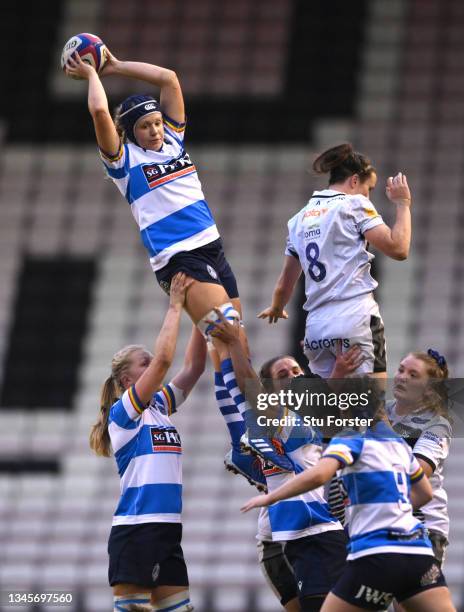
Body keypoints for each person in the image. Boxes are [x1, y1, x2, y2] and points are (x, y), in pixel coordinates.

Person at [64, 50, 242, 336]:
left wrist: (117, 66)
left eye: (157, 122)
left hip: (212, 246)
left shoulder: (173, 140)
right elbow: (99, 112)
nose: (156, 130)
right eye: (145, 126)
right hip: (179, 257)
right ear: (131, 133)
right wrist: (92, 75)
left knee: (235, 341)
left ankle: (231, 383)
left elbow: (169, 79)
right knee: (227, 335)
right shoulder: (124, 162)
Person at [241, 378, 456, 612]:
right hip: (417, 554)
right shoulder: (399, 445)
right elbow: (424, 492)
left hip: (376, 555)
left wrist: (270, 497)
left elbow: (319, 475)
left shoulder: (350, 437)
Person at [208, 313, 354, 612]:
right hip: (287, 537)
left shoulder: (302, 424)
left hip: (313, 532)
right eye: (284, 375)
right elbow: (237, 391)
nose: (296, 376)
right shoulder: (284, 422)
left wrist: (226, 342)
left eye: (297, 370)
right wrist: (224, 344)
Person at [89, 273, 206, 612]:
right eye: (145, 363)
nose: (153, 366)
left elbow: (195, 366)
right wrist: (176, 305)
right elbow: (166, 360)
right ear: (127, 380)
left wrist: (203, 316)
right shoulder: (124, 412)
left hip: (167, 530)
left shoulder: (159, 405)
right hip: (138, 529)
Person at [258, 143, 412, 379]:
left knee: (330, 409)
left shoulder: (298, 220)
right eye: (368, 188)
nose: (367, 195)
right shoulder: (354, 204)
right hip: (355, 318)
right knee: (370, 410)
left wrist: (277, 308)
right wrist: (403, 204)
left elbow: (283, 285)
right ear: (353, 180)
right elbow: (399, 249)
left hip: (316, 330)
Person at [388, 349, 452, 568]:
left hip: (422, 523)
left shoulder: (437, 424)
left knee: (408, 603)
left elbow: (420, 470)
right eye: (401, 370)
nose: (402, 377)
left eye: (413, 375)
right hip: (383, 519)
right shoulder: (381, 411)